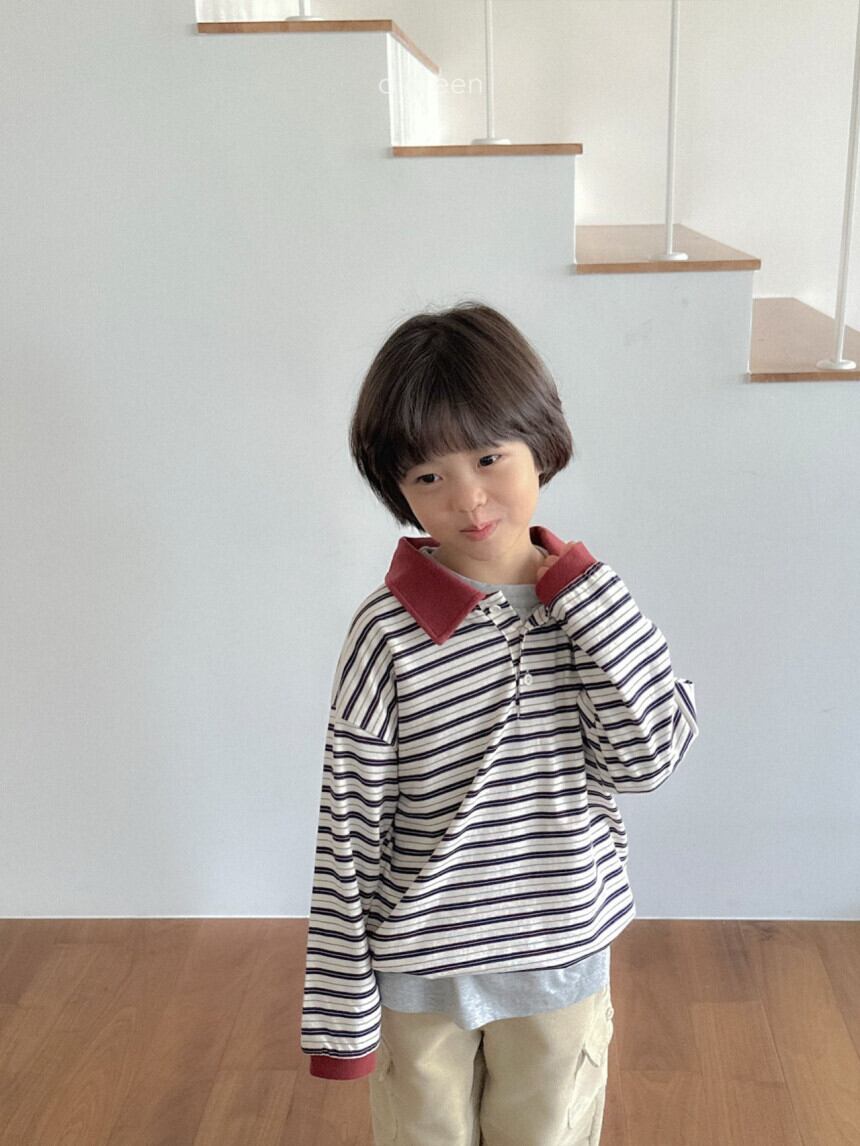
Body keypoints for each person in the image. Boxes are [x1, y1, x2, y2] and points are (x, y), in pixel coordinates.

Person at [300, 300, 699, 1145]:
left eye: (489, 457)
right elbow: (349, 826)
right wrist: (342, 1010)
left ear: (540, 444)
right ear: (397, 489)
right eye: (428, 477)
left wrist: (584, 595)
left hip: (561, 957)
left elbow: (650, 760)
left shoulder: (591, 610)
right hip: (420, 971)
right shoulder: (384, 633)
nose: (469, 499)